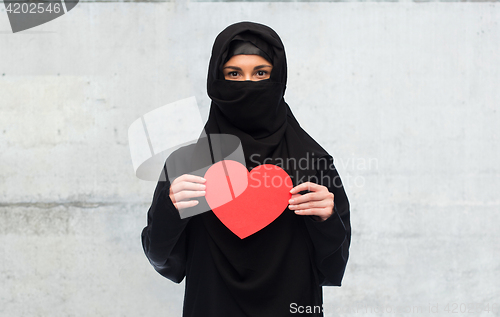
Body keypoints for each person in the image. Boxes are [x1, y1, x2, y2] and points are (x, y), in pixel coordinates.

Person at [141, 21, 351, 317]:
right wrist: (169, 210)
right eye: (234, 74)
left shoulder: (313, 163)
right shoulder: (188, 165)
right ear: (216, 79)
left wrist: (328, 219)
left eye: (261, 73)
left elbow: (332, 269)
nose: (248, 85)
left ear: (279, 78)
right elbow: (166, 263)